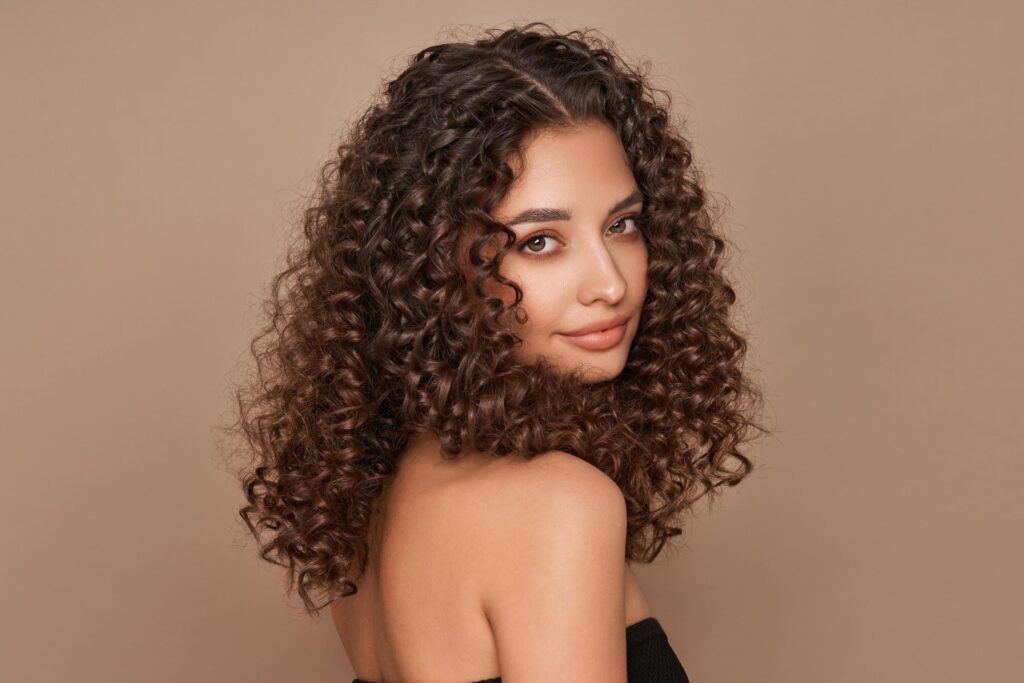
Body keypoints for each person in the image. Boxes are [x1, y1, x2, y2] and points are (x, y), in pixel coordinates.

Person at [227, 21, 767, 682]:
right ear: (433, 266)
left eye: (623, 225)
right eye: (540, 241)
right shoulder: (558, 505)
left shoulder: (375, 505)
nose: (612, 283)